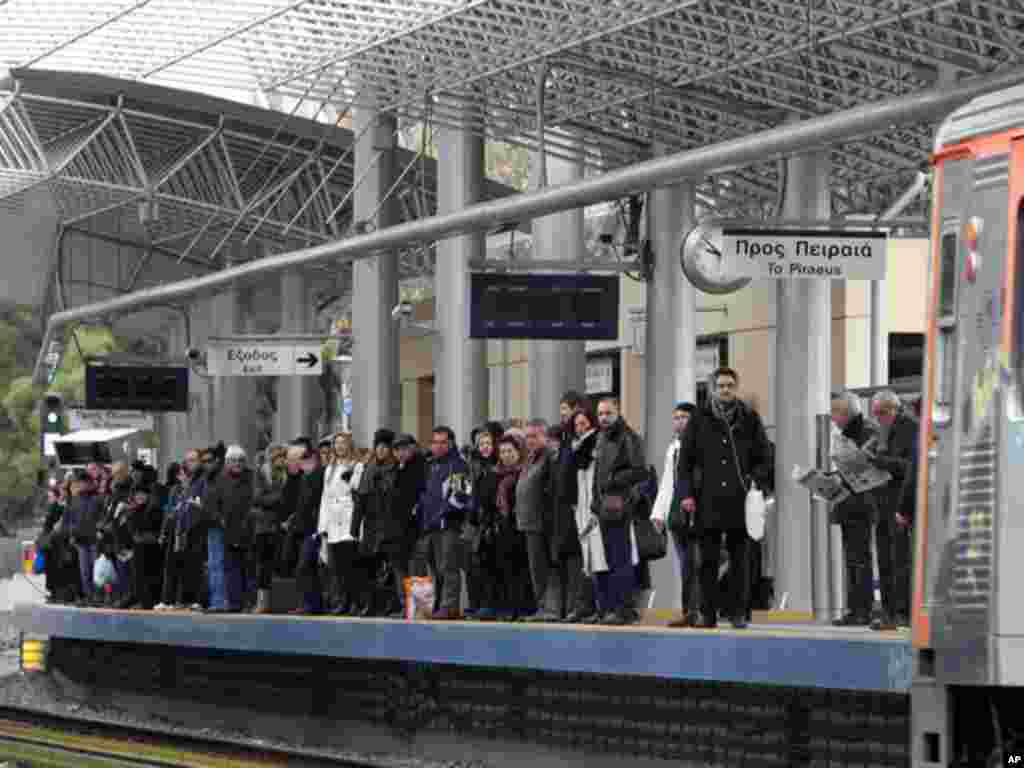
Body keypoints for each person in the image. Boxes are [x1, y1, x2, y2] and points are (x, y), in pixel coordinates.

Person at [678, 367, 772, 629]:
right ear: (713, 389)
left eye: (730, 385)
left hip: (740, 499)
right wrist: (686, 494)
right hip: (707, 498)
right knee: (706, 561)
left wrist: (756, 480)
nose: (725, 390)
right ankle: (707, 613)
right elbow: (685, 461)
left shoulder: (750, 418)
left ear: (736, 387)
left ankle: (738, 613)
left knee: (741, 561)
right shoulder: (699, 419)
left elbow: (764, 457)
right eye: (720, 386)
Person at [592, 398, 648, 625]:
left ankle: (625, 608)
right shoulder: (601, 438)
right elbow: (597, 473)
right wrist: (595, 502)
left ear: (618, 412)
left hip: (620, 504)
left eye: (608, 413)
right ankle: (617, 607)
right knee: (611, 559)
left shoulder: (629, 437)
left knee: (620, 558)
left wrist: (612, 481)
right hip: (604, 505)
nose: (603, 417)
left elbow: (639, 471)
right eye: (601, 413)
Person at [867, 390, 919, 630]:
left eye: (881, 414)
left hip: (899, 503)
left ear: (894, 409)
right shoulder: (883, 431)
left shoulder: (909, 427)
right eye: (875, 414)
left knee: (900, 561)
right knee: (885, 560)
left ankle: (902, 613)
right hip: (882, 502)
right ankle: (888, 612)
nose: (878, 419)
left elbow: (910, 466)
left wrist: (879, 461)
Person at [414, 426, 474, 620]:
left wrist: (443, 514)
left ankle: (450, 607)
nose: (438, 446)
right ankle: (435, 606)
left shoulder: (458, 465)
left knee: (449, 568)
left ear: (450, 444)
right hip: (429, 527)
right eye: (435, 442)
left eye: (442, 442)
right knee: (435, 570)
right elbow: (425, 495)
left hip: (448, 525)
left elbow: (462, 496)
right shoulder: (431, 465)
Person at [829, 391, 878, 627]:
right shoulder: (846, 435)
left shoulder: (867, 432)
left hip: (861, 505)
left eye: (835, 412)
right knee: (852, 559)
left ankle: (864, 609)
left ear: (847, 412)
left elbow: (867, 468)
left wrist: (843, 475)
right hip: (849, 503)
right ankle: (855, 608)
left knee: (860, 558)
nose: (832, 417)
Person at [651, 402, 700, 628]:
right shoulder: (673, 448)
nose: (679, 421)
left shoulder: (702, 445)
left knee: (696, 563)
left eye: (684, 417)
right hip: (675, 514)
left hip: (696, 512)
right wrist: (658, 513)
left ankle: (699, 610)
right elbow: (667, 482)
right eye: (676, 417)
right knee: (685, 566)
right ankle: (688, 611)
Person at [320, 432, 366, 616]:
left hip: (348, 518)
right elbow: (325, 497)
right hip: (333, 520)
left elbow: (357, 490)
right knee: (337, 566)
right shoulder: (329, 469)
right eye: (336, 443)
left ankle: (356, 601)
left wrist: (351, 475)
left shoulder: (358, 465)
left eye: (343, 443)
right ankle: (343, 601)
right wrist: (323, 526)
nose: (339, 447)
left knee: (351, 564)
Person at [353, 429, 397, 617]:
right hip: (371, 525)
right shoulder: (369, 469)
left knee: (390, 568)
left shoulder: (395, 469)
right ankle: (370, 603)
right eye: (378, 447)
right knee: (368, 567)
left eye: (385, 447)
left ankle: (390, 604)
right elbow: (360, 499)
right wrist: (354, 526)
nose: (381, 450)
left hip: (389, 525)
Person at [204, 445, 253, 613]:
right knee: (231, 568)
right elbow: (212, 505)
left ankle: (249, 602)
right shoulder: (220, 480)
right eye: (234, 461)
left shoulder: (251, 478)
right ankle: (234, 602)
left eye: (241, 461)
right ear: (227, 462)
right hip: (228, 529)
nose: (238, 464)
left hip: (248, 529)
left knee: (249, 568)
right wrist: (220, 519)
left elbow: (255, 499)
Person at [517, 419, 558, 622]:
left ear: (545, 436)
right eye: (527, 437)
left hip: (542, 522)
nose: (530, 440)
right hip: (528, 522)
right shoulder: (531, 458)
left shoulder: (549, 457)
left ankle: (549, 609)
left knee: (544, 568)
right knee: (535, 569)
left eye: (534, 436)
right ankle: (541, 606)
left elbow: (551, 490)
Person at [567, 406, 605, 623]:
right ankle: (589, 606)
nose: (580, 428)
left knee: (598, 557)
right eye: (577, 425)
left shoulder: (593, 444)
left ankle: (600, 606)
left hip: (593, 505)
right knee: (587, 560)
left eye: (584, 423)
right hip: (580, 505)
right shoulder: (576, 446)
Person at [494, 431, 533, 619]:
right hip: (502, 528)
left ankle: (524, 607)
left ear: (519, 452)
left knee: (522, 569)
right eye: (502, 452)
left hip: (521, 527)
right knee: (505, 569)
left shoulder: (524, 472)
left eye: (510, 451)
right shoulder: (497, 474)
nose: (506, 456)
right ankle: (509, 607)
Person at [248, 444, 285, 614]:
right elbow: (257, 497)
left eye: (282, 456)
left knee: (277, 564)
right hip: (263, 526)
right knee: (263, 564)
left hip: (280, 525)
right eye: (276, 457)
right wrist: (278, 498)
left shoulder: (285, 474)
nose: (279, 460)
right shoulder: (261, 472)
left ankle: (277, 602)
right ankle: (262, 602)